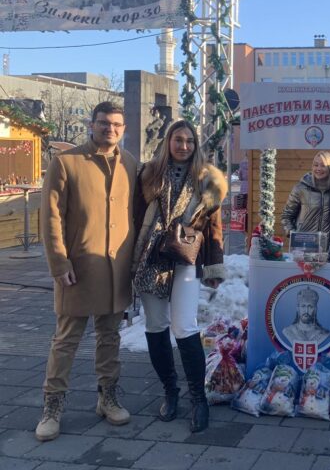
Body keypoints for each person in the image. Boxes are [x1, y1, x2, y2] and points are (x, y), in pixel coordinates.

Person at [36, 101, 137, 442]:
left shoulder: (132, 166)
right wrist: (59, 263)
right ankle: (52, 406)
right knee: (66, 340)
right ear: (92, 124)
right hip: (77, 268)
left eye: (117, 124)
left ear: (124, 129)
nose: (111, 129)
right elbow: (50, 217)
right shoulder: (66, 162)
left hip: (116, 270)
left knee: (110, 337)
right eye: (104, 123)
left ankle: (107, 397)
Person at [132, 119, 227, 433]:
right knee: (156, 326)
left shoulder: (206, 180)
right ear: (168, 141)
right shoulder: (148, 174)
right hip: (151, 259)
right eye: (178, 140)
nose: (184, 146)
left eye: (189, 141)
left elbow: (214, 229)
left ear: (195, 144)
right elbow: (134, 221)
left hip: (186, 257)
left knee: (185, 326)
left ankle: (198, 398)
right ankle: (170, 391)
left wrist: (214, 267)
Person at [281, 150, 330, 237]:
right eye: (316, 165)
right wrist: (293, 235)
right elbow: (286, 216)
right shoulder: (301, 188)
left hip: (329, 245)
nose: (318, 169)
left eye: (323, 165)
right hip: (304, 244)